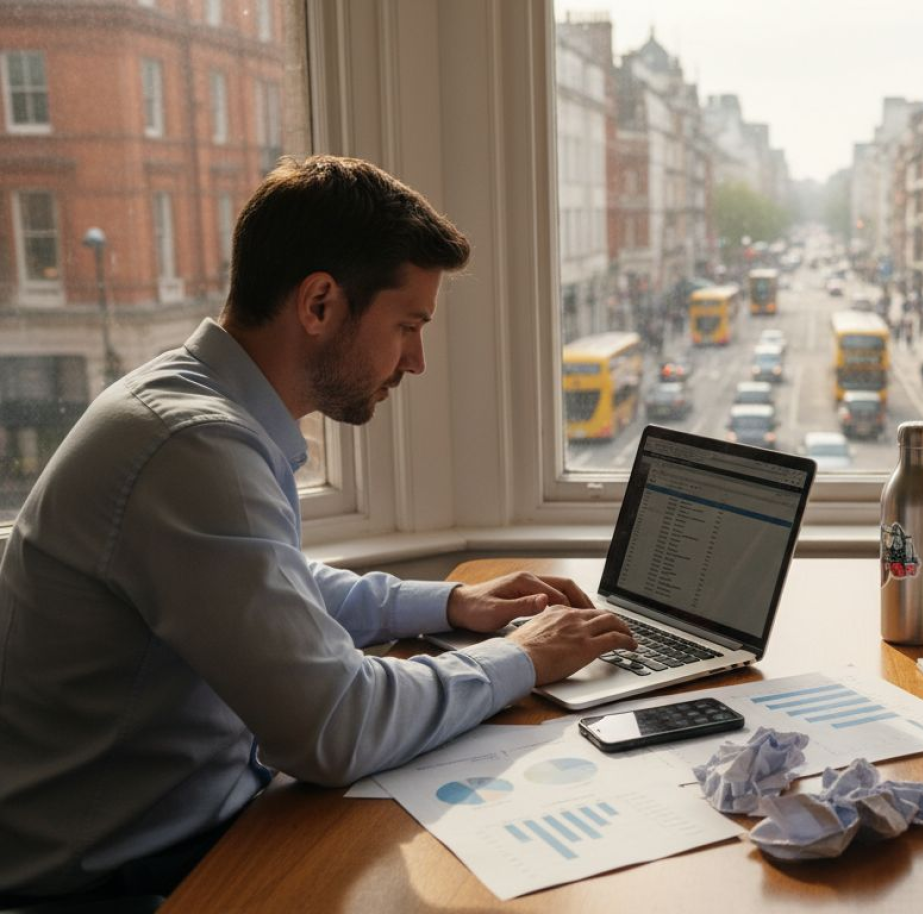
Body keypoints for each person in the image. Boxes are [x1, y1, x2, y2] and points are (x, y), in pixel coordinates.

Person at [0, 156, 635, 902]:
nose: (418, 361)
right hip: (110, 884)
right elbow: (336, 730)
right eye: (408, 325)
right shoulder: (193, 447)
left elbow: (269, 585)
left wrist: (450, 605)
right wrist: (518, 660)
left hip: (180, 833)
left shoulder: (186, 407)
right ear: (321, 303)